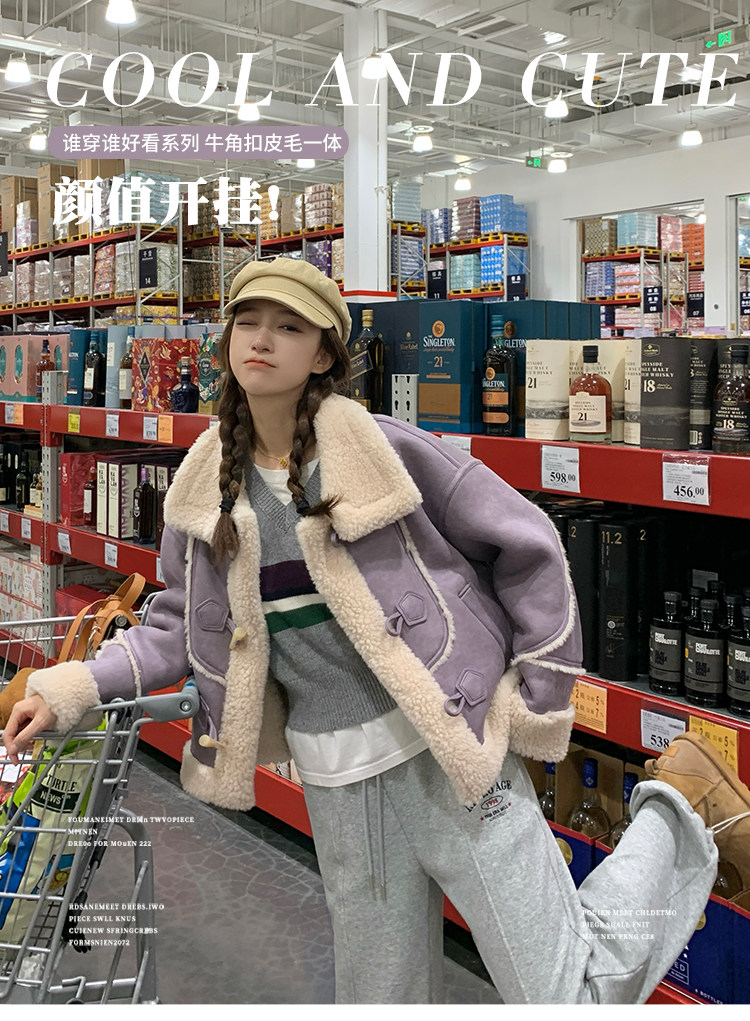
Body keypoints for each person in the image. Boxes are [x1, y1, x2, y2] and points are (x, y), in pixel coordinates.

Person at [3, 257, 749, 1005]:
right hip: (337, 785)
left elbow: (530, 543)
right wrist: (69, 688)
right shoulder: (206, 486)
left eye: (288, 327)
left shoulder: (384, 450)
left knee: (563, 995)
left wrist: (539, 692)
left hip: (450, 755)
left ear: (323, 355)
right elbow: (173, 627)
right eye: (248, 322)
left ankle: (679, 806)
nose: (261, 339)